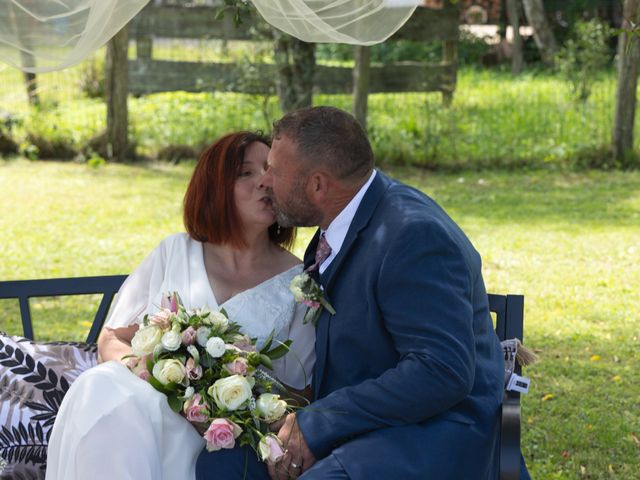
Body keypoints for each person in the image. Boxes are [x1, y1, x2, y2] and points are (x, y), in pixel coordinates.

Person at [254, 106, 530, 480]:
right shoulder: (345, 218)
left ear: (318, 185)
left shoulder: (412, 236)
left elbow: (442, 372)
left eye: (274, 169)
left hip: (435, 434)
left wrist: (319, 424)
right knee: (225, 461)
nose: (265, 180)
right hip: (373, 423)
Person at [45, 132, 316, 480]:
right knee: (101, 387)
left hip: (223, 438)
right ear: (215, 187)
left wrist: (226, 393)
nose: (263, 181)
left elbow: (302, 396)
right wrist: (167, 381)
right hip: (150, 407)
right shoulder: (174, 251)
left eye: (269, 171)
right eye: (245, 173)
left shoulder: (298, 283)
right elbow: (112, 339)